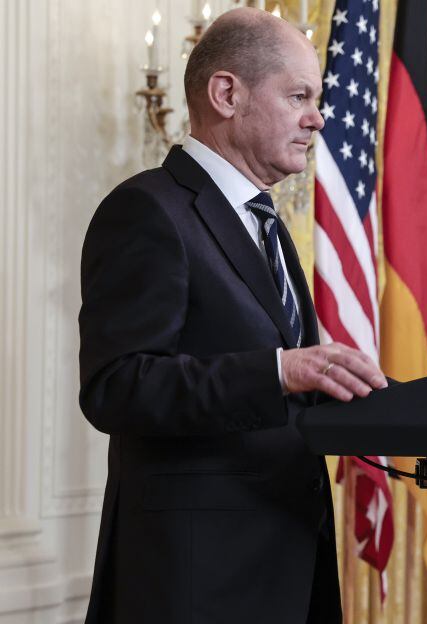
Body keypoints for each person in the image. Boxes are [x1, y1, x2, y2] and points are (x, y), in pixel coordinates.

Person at [78, 8, 386, 623]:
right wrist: (278, 371)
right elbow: (116, 387)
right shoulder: (147, 210)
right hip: (196, 583)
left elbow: (293, 389)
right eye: (298, 95)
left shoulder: (264, 222)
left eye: (318, 98)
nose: (317, 118)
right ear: (227, 94)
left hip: (288, 564)